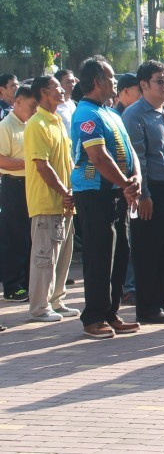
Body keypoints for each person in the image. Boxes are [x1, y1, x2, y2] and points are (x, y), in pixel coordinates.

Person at [70, 56, 143, 339]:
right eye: (111, 77)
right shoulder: (86, 113)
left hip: (116, 193)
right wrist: (125, 183)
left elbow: (130, 150)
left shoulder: (112, 112)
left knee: (119, 254)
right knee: (99, 257)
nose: (116, 82)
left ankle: (111, 312)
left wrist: (135, 177)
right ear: (98, 81)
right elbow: (98, 157)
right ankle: (93, 317)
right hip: (94, 194)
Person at [121, 61, 164, 325]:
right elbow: (138, 158)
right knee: (149, 251)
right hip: (153, 192)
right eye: (159, 81)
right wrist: (144, 195)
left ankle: (162, 302)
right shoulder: (135, 115)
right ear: (143, 85)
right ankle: (147, 306)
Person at [24, 76, 78, 323]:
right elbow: (42, 166)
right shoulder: (37, 123)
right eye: (57, 86)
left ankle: (56, 299)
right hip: (48, 202)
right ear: (44, 92)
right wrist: (63, 192)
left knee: (62, 255)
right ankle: (39, 307)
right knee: (44, 257)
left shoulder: (57, 121)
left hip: (65, 203)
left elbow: (67, 162)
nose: (62, 90)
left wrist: (71, 191)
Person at [0, 85, 36, 302]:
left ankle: (29, 282)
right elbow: (2, 160)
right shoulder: (6, 126)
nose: (34, 110)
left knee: (30, 236)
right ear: (18, 101)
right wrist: (32, 164)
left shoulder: (30, 125)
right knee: (14, 237)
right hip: (14, 185)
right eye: (32, 106)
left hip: (31, 185)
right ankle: (13, 285)